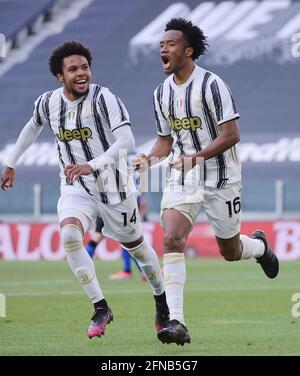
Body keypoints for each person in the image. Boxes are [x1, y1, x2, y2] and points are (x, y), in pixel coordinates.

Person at [1, 41, 169, 340]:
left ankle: (162, 304)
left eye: (85, 67)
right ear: (59, 76)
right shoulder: (48, 102)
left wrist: (93, 164)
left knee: (139, 249)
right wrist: (11, 162)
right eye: (73, 69)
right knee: (69, 235)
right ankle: (100, 306)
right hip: (75, 186)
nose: (81, 74)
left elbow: (127, 141)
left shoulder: (105, 98)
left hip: (114, 188)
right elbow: (32, 126)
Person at [132, 18, 279, 346]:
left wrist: (196, 157)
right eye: (161, 46)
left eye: (170, 45)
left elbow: (232, 135)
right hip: (182, 177)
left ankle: (259, 247)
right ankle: (177, 322)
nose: (163, 50)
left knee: (230, 250)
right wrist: (145, 160)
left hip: (221, 177)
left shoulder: (213, 85)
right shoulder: (160, 94)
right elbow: (165, 143)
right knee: (171, 238)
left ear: (188, 51)